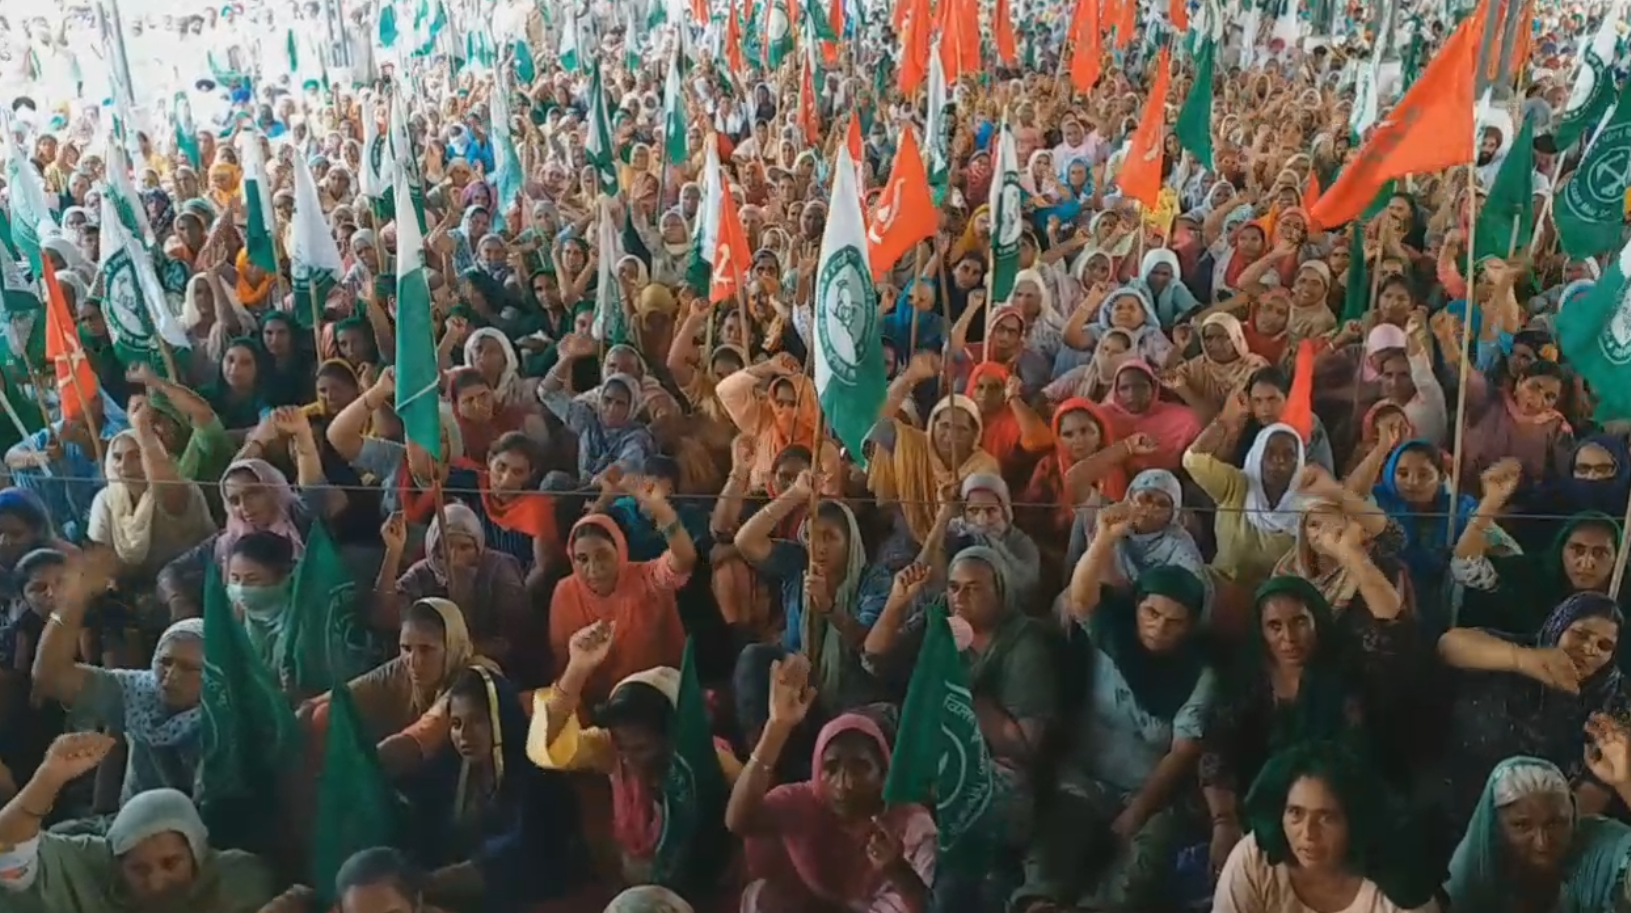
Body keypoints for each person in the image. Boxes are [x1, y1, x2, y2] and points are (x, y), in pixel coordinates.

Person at [527, 621, 739, 897]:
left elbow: (752, 812)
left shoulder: (710, 758)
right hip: (636, 892)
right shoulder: (612, 751)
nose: (627, 759)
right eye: (622, 746)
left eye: (640, 748)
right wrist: (577, 670)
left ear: (672, 734)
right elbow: (547, 748)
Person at [727, 655, 936, 913]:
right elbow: (739, 820)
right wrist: (777, 727)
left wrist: (898, 871)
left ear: (884, 774)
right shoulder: (803, 802)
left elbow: (933, 908)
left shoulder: (911, 826)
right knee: (764, 897)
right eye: (831, 768)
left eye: (860, 767)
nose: (843, 784)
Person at [0, 734, 276, 912]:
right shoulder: (90, 869)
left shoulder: (239, 880)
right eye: (138, 869)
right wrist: (49, 777)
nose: (157, 882)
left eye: (171, 863)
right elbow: (9, 851)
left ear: (197, 853)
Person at [1212, 741, 1440, 913]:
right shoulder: (1256, 859)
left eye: (1326, 817)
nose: (1308, 833)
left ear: (1355, 820)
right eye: (1295, 813)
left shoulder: (1400, 889)